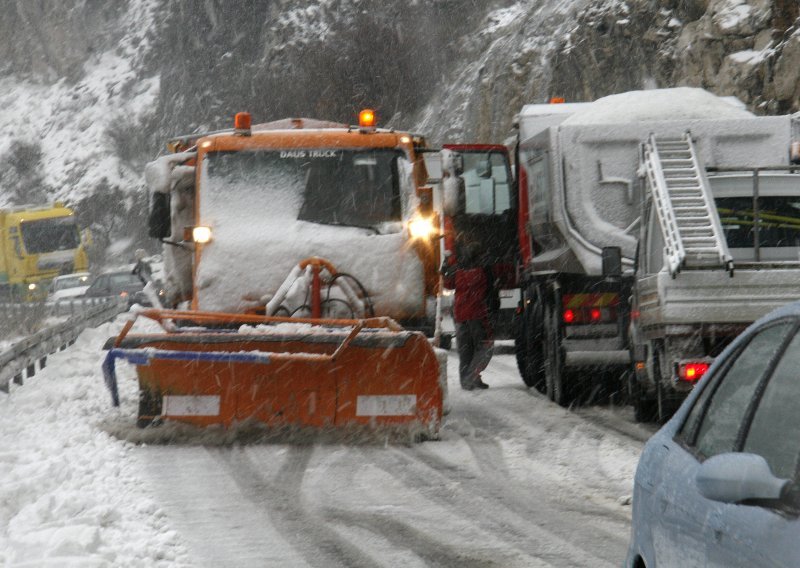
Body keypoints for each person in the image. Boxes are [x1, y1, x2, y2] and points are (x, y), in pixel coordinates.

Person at [442, 242, 496, 390]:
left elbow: (447, 283)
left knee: (466, 349)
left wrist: (445, 266)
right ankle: (471, 377)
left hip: (460, 315)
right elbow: (491, 290)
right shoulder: (484, 269)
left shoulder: (457, 269)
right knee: (486, 347)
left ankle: (468, 380)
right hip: (477, 313)